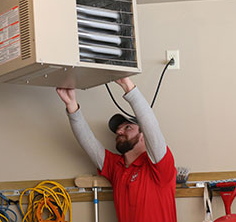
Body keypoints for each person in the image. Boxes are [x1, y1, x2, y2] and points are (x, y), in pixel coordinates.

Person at [56, 77, 177, 222]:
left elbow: (150, 124)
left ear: (143, 134)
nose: (119, 132)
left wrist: (127, 85)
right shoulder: (116, 167)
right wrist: (71, 105)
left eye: (128, 127)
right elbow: (88, 143)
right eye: (118, 130)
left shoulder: (159, 166)